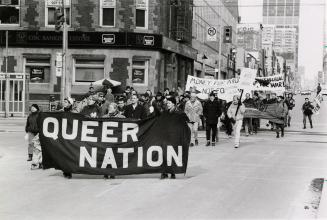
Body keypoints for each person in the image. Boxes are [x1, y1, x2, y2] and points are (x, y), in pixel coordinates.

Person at [160, 96, 185, 180]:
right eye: (167, 103)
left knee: (172, 154)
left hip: (175, 137)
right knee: (164, 154)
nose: (167, 104)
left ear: (173, 104)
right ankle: (164, 172)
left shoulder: (179, 113)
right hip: (165, 136)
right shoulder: (165, 112)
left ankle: (172, 172)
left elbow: (184, 123)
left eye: (169, 103)